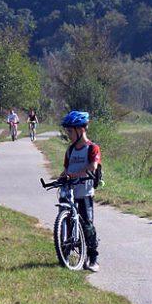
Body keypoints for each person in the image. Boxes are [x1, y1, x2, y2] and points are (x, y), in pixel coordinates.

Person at [60, 110, 101, 272]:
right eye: (68, 131)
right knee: (68, 223)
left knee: (87, 225)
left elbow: (92, 167)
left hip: (84, 193)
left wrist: (73, 175)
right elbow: (65, 170)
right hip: (69, 192)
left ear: (80, 130)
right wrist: (61, 178)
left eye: (70, 131)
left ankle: (93, 258)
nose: (68, 134)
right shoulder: (70, 151)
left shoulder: (92, 148)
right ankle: (65, 252)